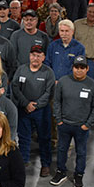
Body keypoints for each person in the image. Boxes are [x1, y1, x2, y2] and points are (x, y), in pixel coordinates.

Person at [51, 55, 94, 187]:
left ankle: (79, 175)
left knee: (81, 152)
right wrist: (59, 120)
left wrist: (87, 124)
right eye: (76, 67)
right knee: (62, 149)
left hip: (82, 127)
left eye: (82, 68)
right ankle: (60, 172)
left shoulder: (93, 86)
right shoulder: (63, 82)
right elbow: (57, 102)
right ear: (72, 68)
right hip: (65, 124)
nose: (79, 70)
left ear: (87, 69)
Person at [13, 45, 55, 174]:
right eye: (33, 55)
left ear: (43, 57)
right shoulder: (22, 69)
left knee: (44, 137)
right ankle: (23, 161)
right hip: (24, 109)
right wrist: (26, 103)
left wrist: (35, 105)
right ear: (29, 56)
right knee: (24, 137)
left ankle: (45, 164)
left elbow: (49, 93)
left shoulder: (48, 72)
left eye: (38, 55)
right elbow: (15, 87)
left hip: (41, 111)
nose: (35, 58)